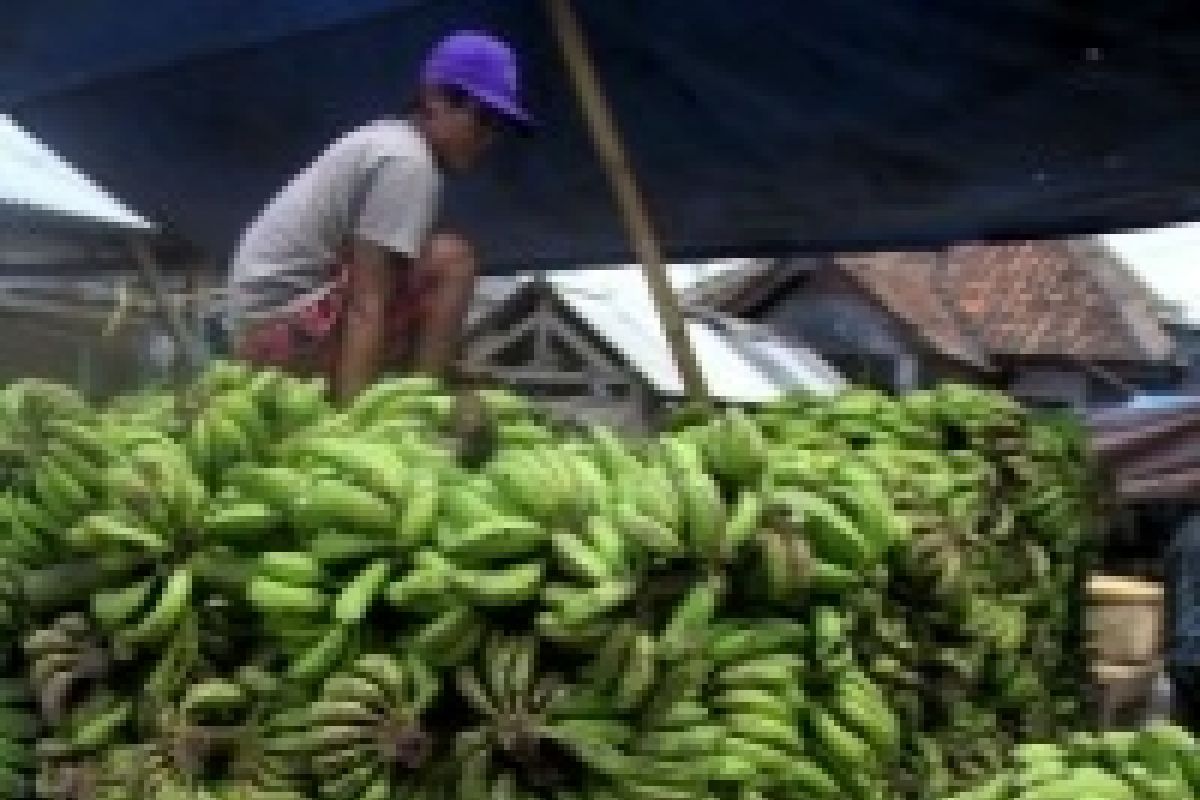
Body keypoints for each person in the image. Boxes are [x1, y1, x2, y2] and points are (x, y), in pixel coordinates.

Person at [225, 31, 533, 401]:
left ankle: (402, 388)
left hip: (268, 328)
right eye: (483, 118)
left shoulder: (387, 143)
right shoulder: (406, 161)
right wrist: (356, 420)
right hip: (276, 340)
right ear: (434, 99)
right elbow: (366, 304)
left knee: (425, 264)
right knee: (452, 260)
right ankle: (417, 405)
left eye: (498, 126)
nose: (489, 138)